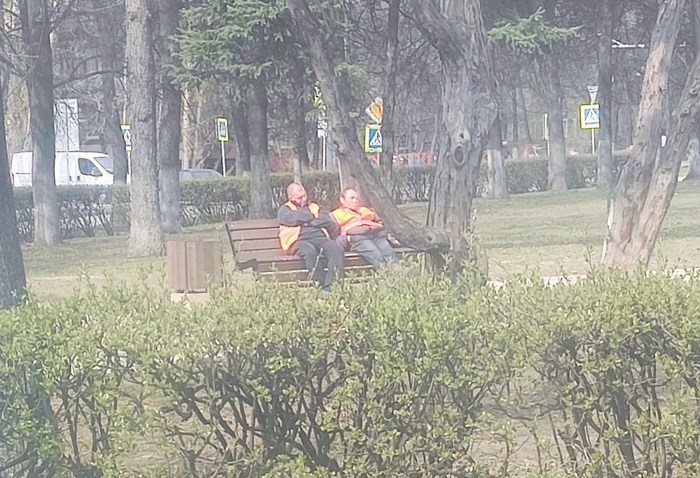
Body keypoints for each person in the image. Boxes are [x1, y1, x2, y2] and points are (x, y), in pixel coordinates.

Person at [278, 182, 344, 293]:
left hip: (319, 238)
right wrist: (312, 216)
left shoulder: (314, 206)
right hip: (297, 241)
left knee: (336, 249)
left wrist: (310, 223)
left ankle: (332, 287)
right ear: (291, 198)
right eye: (299, 198)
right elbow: (293, 218)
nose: (303, 199)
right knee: (309, 251)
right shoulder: (285, 209)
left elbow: (326, 219)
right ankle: (320, 286)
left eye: (304, 195)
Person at [332, 188, 397, 268]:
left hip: (377, 235)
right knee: (377, 256)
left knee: (389, 253)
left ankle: (398, 274)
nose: (355, 201)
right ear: (342, 200)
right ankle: (386, 274)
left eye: (356, 198)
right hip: (359, 238)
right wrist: (346, 239)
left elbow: (380, 222)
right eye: (352, 198)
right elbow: (334, 235)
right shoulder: (336, 214)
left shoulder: (365, 210)